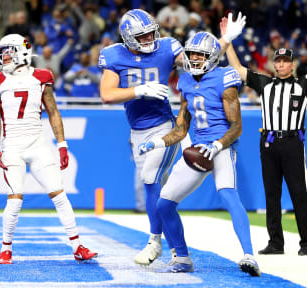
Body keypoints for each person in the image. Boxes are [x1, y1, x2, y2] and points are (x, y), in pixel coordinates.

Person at [98, 9, 243, 266]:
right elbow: (107, 94)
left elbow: (198, 61)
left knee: (150, 177)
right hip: (137, 129)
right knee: (157, 190)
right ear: (128, 37)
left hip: (165, 124)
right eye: (142, 37)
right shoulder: (113, 54)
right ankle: (180, 252)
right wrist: (139, 90)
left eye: (151, 33)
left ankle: (154, 241)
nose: (149, 39)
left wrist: (225, 40)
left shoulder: (166, 48)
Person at [138, 21, 260, 276]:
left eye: (200, 55)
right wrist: (157, 142)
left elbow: (237, 127)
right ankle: (182, 258)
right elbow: (181, 129)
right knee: (164, 204)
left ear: (212, 57)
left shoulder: (225, 78)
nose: (194, 59)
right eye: (191, 54)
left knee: (227, 194)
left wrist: (217, 145)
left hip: (222, 146)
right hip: (198, 148)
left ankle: (249, 255)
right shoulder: (184, 81)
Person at [0, 34, 97, 264]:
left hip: (38, 143)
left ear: (21, 52)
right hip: (12, 145)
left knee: (59, 194)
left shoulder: (41, 77)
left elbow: (53, 111)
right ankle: (6, 248)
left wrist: (62, 144)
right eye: (2, 52)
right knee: (15, 199)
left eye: (8, 51)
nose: (4, 57)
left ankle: (77, 246)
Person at [224, 15, 307, 256]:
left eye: (286, 61)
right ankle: (276, 243)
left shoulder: (303, 84)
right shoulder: (265, 84)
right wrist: (228, 41)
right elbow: (239, 69)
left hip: (293, 142)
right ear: (274, 64)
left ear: (292, 65)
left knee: (298, 194)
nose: (282, 65)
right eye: (278, 61)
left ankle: (306, 244)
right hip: (269, 143)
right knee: (271, 195)